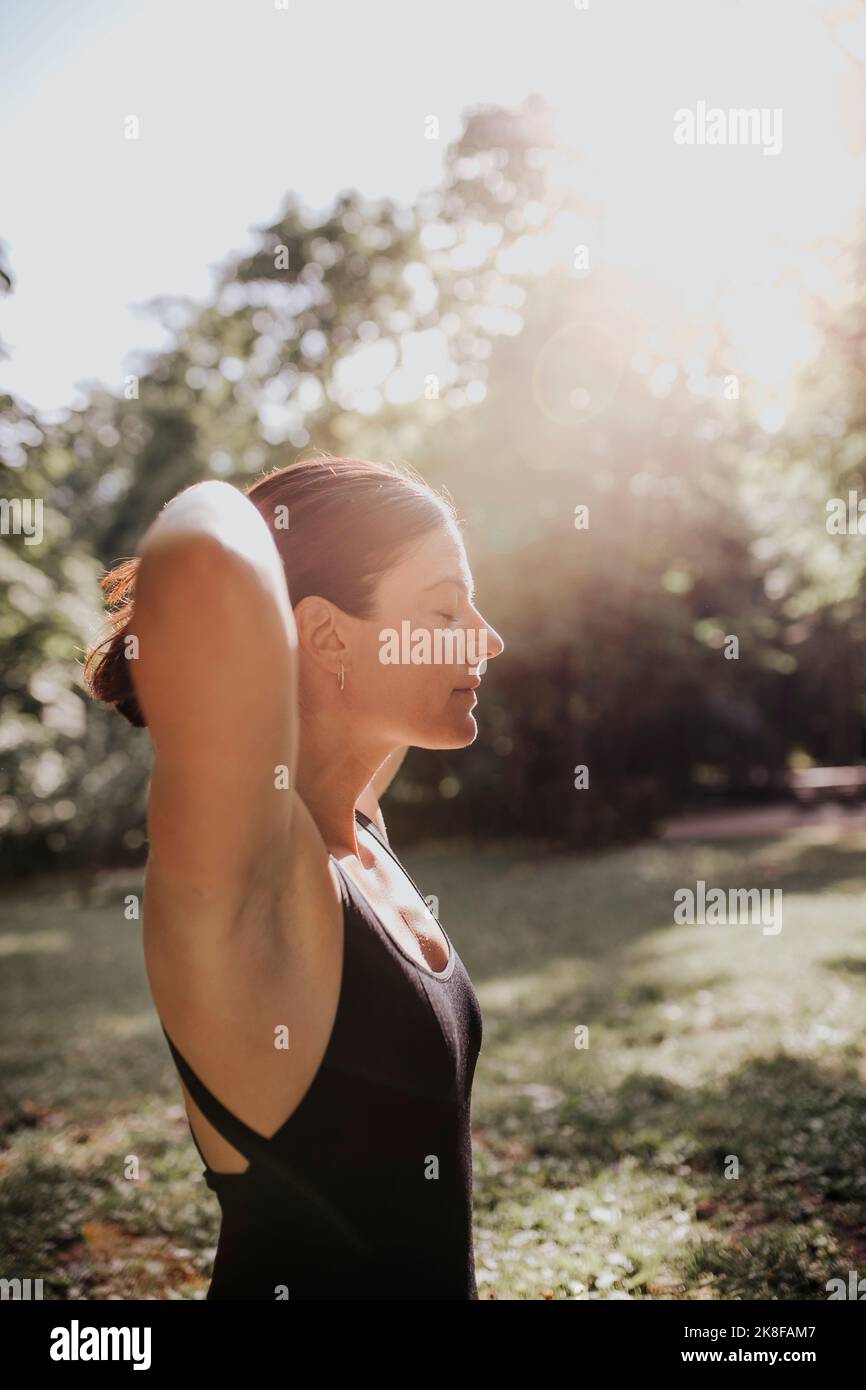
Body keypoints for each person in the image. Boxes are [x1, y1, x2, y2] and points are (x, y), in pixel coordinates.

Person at [84, 455, 505, 1300]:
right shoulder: (259, 876)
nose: (488, 638)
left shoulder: (357, 825)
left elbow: (323, 726)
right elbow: (199, 560)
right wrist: (248, 507)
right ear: (323, 635)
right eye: (444, 608)